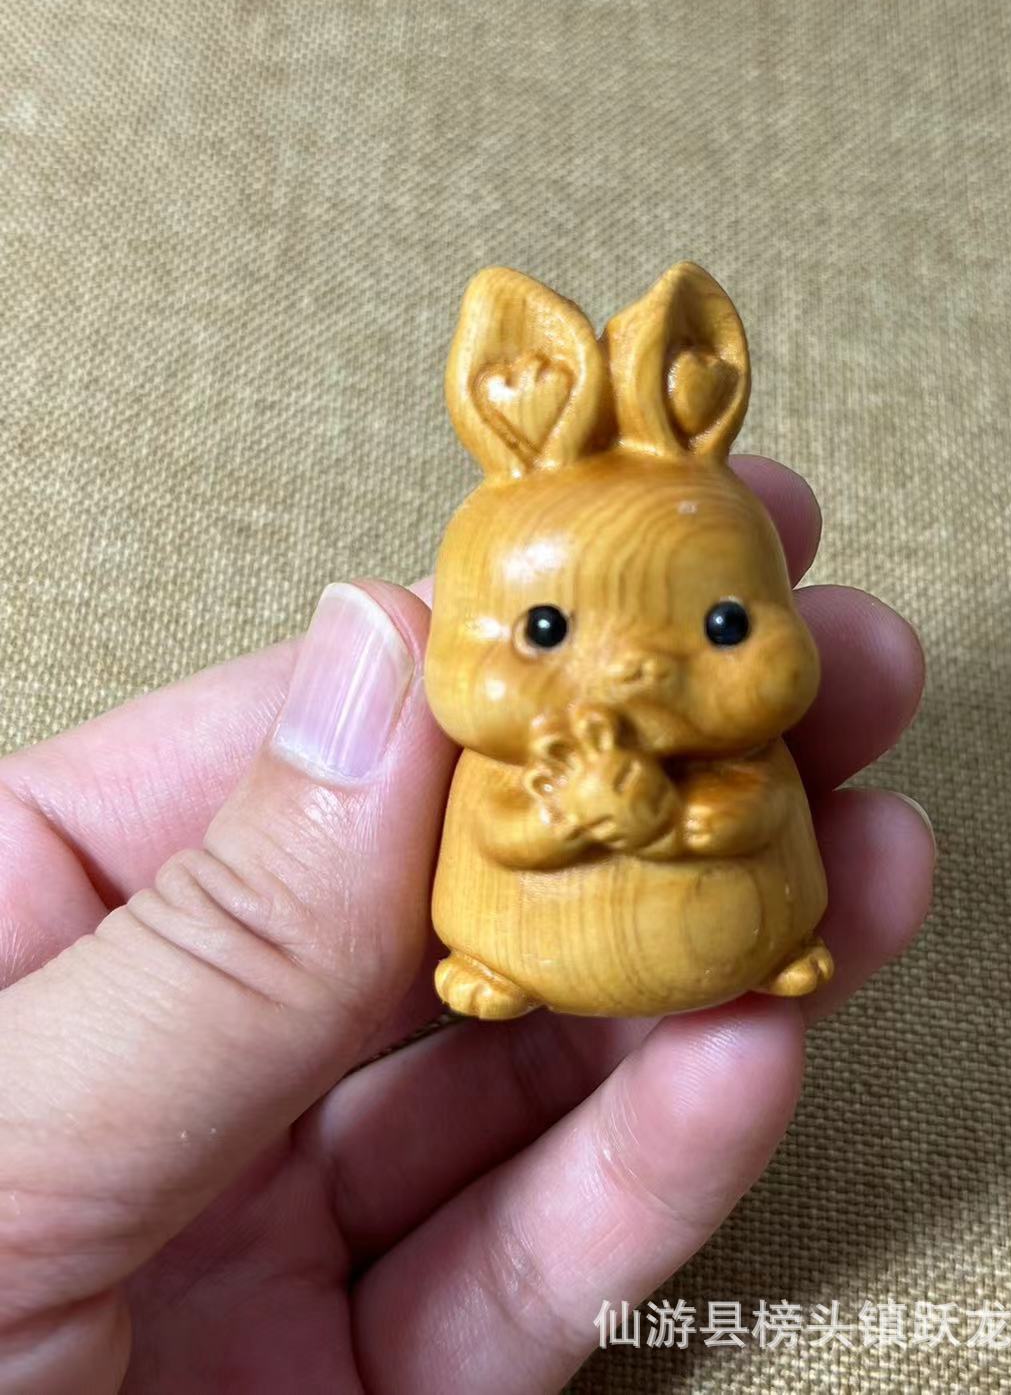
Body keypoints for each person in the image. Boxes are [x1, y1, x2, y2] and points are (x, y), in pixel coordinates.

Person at [0, 458, 932, 1394]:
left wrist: (678, 819)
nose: (632, 669)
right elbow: (505, 834)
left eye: (722, 626)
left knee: (791, 887)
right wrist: (568, 816)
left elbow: (757, 815)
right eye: (547, 631)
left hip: (735, 919)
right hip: (525, 934)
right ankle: (501, 961)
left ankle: (775, 944)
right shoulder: (506, 759)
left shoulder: (743, 756)